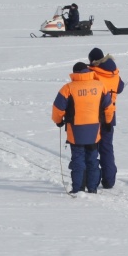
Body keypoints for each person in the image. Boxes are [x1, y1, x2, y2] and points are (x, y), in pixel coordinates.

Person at [52, 62, 114, 194]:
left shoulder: (68, 88)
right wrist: (108, 121)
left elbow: (57, 108)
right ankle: (92, 188)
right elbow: (109, 107)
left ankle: (78, 188)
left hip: (75, 131)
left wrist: (58, 121)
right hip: (94, 130)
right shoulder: (100, 86)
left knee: (78, 159)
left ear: (74, 73)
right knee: (92, 159)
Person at [88, 47, 125, 189]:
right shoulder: (115, 74)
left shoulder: (93, 73)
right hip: (110, 115)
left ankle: (93, 180)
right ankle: (109, 180)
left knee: (91, 148)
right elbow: (120, 88)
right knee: (107, 147)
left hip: (93, 116)